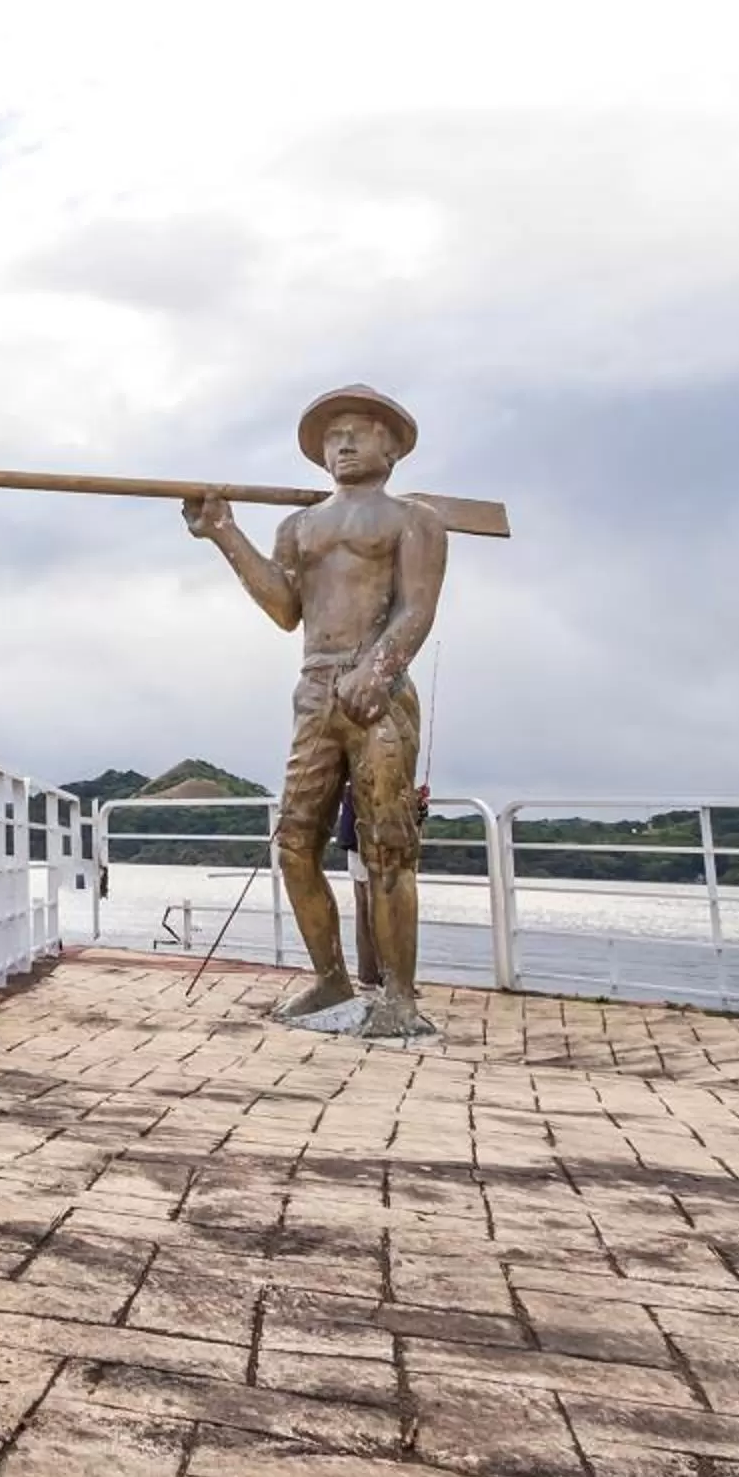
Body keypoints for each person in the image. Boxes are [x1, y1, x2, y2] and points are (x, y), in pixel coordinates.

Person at [184, 384, 445, 1039]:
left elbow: (417, 609)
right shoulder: (298, 527)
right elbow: (284, 608)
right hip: (314, 688)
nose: (344, 443)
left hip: (379, 693)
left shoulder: (414, 519)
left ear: (391, 446)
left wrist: (376, 671)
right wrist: (224, 532)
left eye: (358, 431)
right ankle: (330, 977)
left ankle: (399, 996)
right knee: (295, 843)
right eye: (333, 435)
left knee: (388, 847)